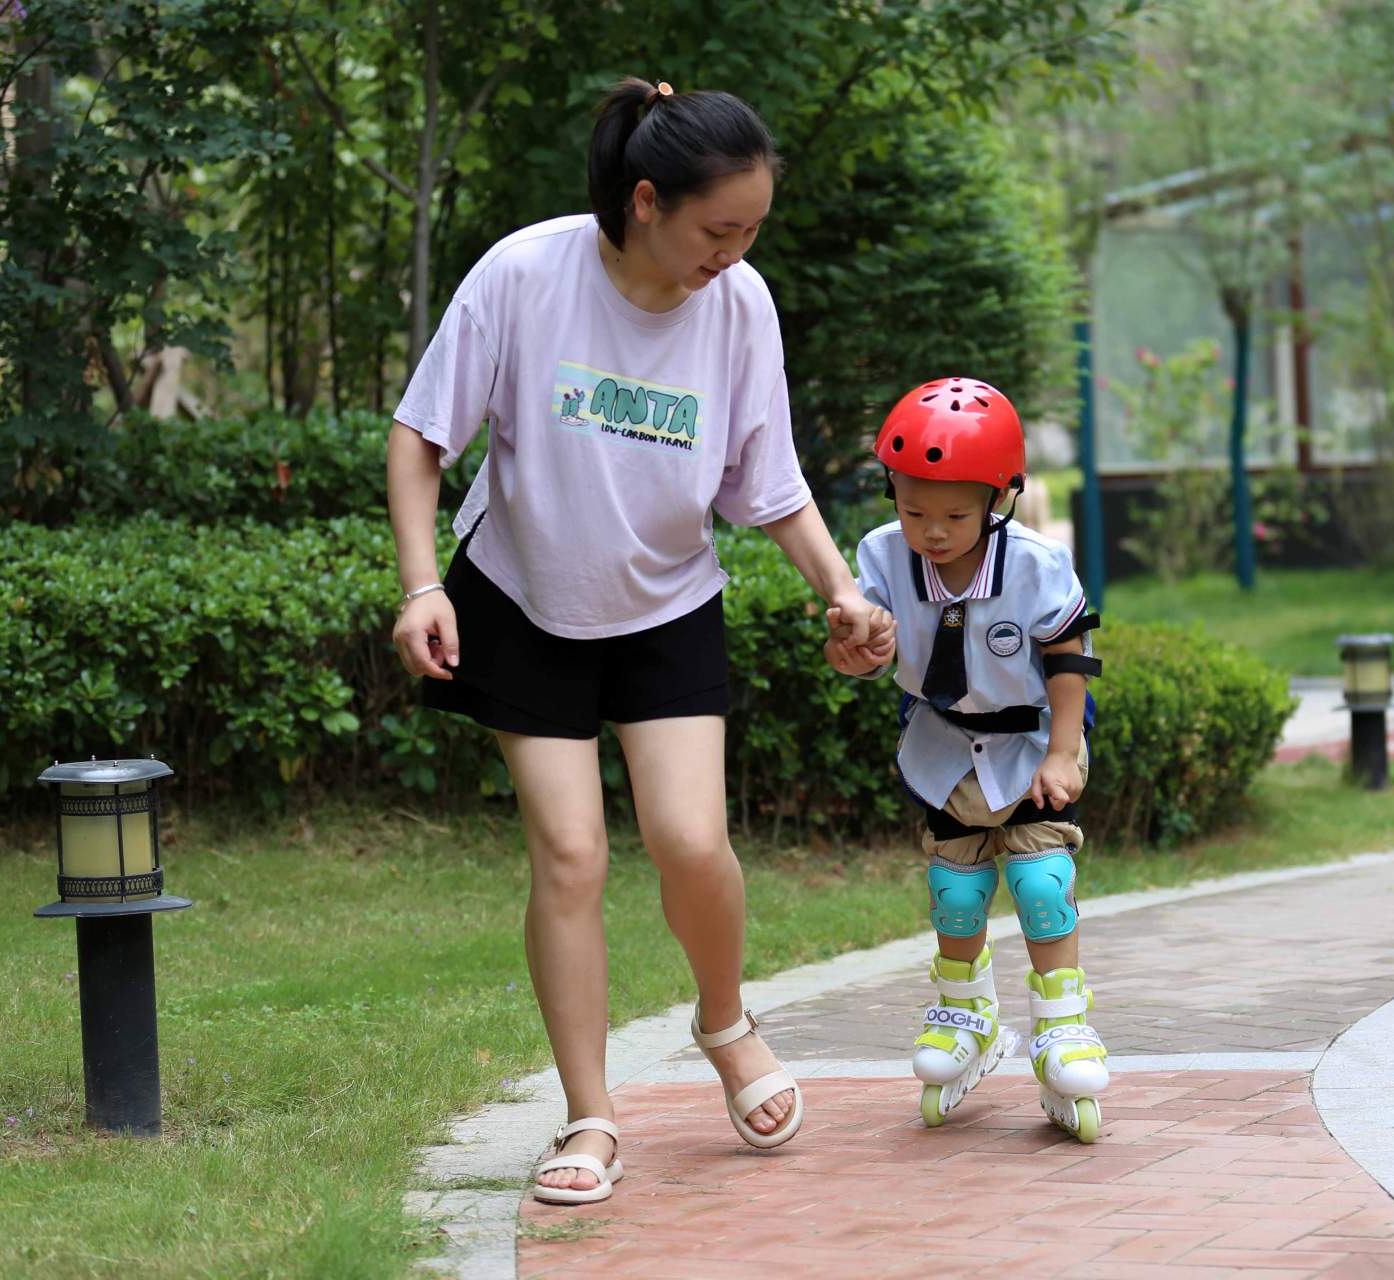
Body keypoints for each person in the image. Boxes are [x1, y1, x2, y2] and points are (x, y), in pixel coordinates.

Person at [386, 77, 892, 1205]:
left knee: (692, 841)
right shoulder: (526, 274)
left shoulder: (739, 303)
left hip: (667, 601)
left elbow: (768, 481)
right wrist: (422, 586)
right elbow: (422, 434)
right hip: (523, 598)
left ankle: (725, 1022)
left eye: (752, 231)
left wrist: (842, 592)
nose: (735, 254)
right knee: (571, 856)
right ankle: (590, 1115)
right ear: (648, 200)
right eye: (720, 229)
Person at [824, 377, 1111, 1143]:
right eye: (913, 511)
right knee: (955, 891)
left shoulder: (1037, 564)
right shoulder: (881, 557)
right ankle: (966, 1013)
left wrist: (1063, 753)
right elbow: (861, 651)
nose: (933, 532)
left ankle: (1063, 1024)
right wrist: (853, 650)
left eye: (954, 515)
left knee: (1042, 882)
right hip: (943, 744)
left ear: (998, 498)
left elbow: (1069, 659)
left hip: (1031, 745)